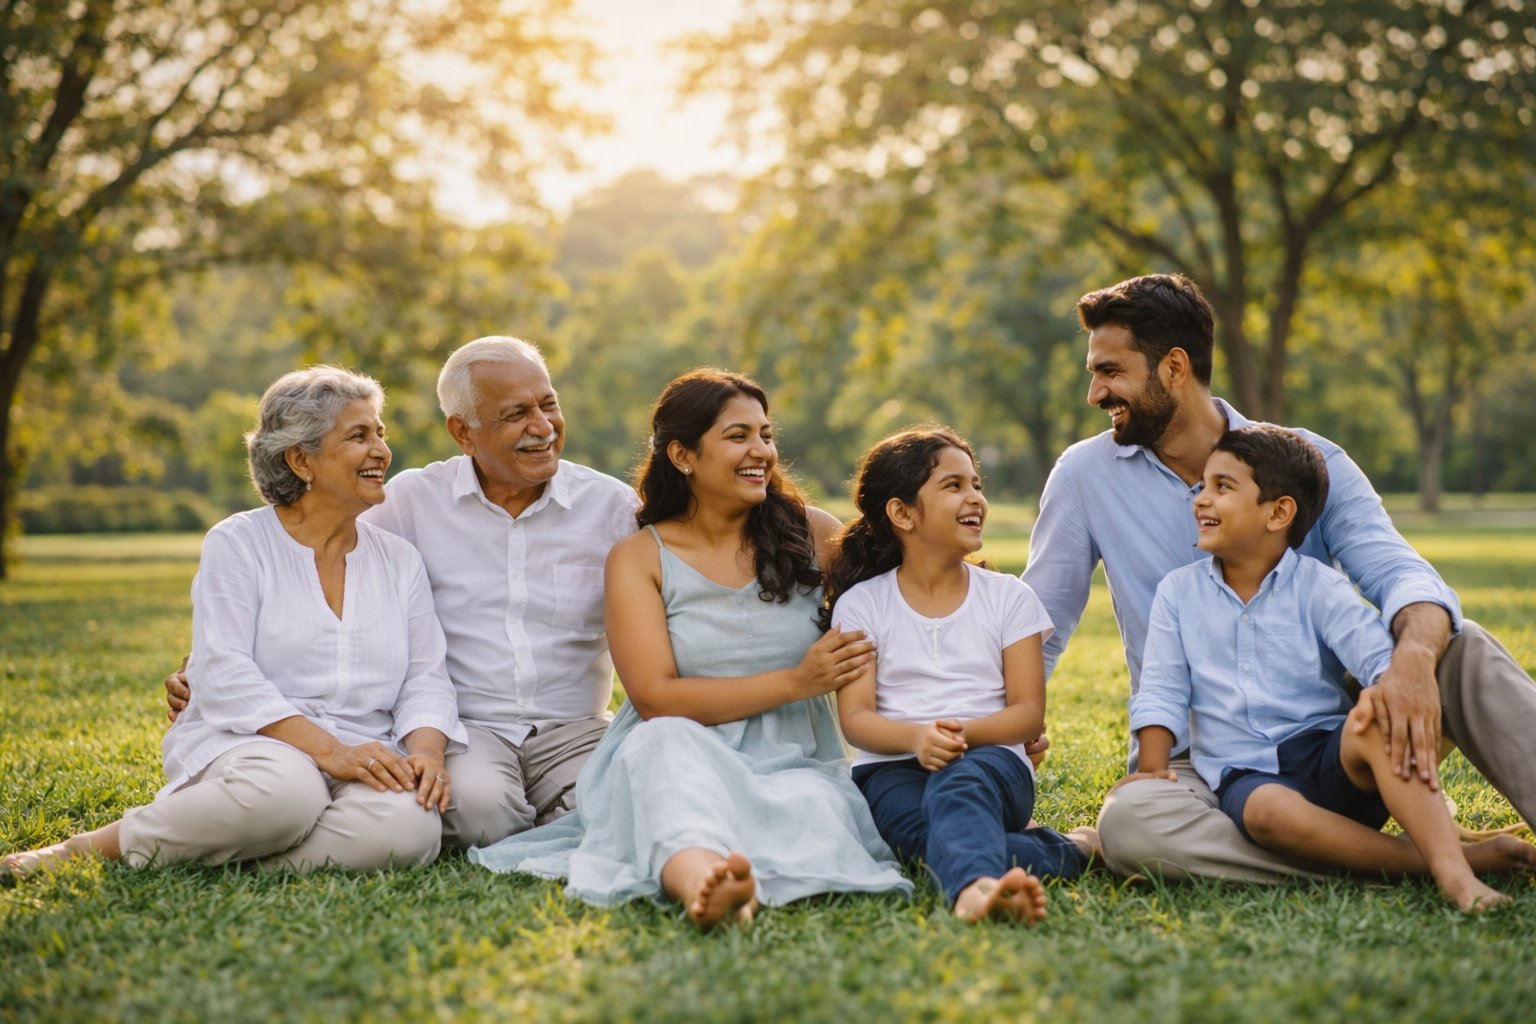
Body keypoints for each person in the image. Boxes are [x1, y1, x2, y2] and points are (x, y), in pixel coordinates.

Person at [1023, 272, 1536, 881]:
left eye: (1109, 371)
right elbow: (1037, 630)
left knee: (1460, 644)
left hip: (1342, 742)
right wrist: (1003, 752)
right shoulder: (1084, 476)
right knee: (1130, 825)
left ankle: (1372, 840)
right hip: (1210, 765)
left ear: (1174, 367)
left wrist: (1413, 664)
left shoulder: (1309, 461)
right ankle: (1427, 861)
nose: (1095, 393)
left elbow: (1399, 572)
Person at [469, 369, 911, 927]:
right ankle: (703, 880)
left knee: (815, 805)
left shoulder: (813, 534)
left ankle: (733, 876)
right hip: (677, 746)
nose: (761, 452)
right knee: (665, 749)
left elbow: (905, 618)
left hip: (791, 755)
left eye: (766, 435)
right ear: (683, 454)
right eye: (738, 436)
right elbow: (656, 698)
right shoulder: (639, 558)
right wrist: (798, 682)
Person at [167, 337, 638, 849]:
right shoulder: (410, 503)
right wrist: (207, 668)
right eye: (516, 414)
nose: (542, 427)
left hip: (576, 727)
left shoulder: (612, 508)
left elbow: (673, 599)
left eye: (548, 404)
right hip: (469, 729)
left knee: (622, 806)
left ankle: (563, 811)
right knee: (481, 818)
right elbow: (303, 540)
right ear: (463, 431)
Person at [4, 368, 465, 881]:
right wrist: (330, 752)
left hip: (364, 743)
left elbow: (426, 675)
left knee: (411, 829)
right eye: (359, 435)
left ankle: (235, 860)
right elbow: (222, 671)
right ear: (300, 458)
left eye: (380, 433)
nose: (382, 450)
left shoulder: (399, 560)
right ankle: (86, 849)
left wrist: (425, 754)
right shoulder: (239, 542)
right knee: (286, 795)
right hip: (256, 741)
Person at [1129, 426, 1534, 910]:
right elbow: (1161, 688)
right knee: (1266, 812)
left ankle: (1456, 876)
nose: (1201, 500)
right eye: (1203, 487)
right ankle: (1448, 860)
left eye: (1223, 487)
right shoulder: (1178, 593)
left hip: (1331, 756)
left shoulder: (1319, 587)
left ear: (1279, 513)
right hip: (1250, 775)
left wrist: (1382, 696)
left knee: (1379, 715)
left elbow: (1377, 657)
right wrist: (1152, 769)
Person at [823, 427, 1094, 925]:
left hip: (992, 763)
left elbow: (1028, 713)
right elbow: (856, 720)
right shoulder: (862, 605)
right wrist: (916, 737)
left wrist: (957, 736)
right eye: (953, 486)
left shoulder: (1009, 598)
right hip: (891, 770)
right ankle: (1069, 851)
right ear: (902, 513)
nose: (974, 498)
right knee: (918, 841)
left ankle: (973, 892)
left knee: (958, 781)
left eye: (976, 484)